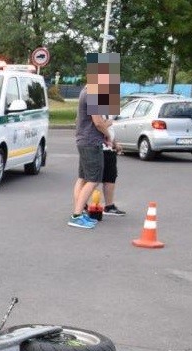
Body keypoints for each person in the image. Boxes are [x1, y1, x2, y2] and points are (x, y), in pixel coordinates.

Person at [70, 65, 114, 229]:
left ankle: (79, 212)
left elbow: (80, 120)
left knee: (83, 178)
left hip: (84, 140)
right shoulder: (93, 94)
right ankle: (76, 216)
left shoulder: (85, 91)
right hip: (90, 143)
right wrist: (107, 131)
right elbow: (97, 122)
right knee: (93, 180)